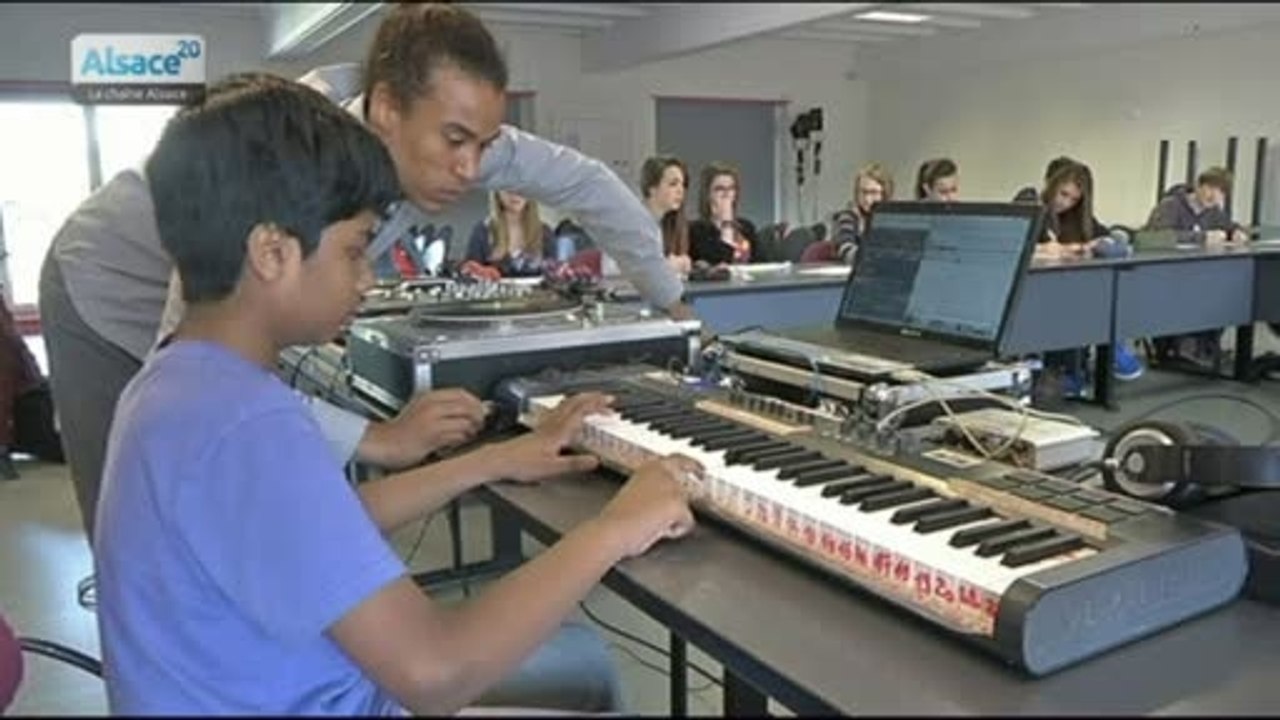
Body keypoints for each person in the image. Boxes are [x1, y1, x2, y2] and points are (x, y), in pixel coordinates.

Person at [94, 75, 699, 716]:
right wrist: (614, 528)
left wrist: (492, 460)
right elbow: (434, 671)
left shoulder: (176, 386)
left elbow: (321, 522)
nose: (366, 278)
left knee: (579, 662)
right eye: (355, 251)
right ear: (272, 251)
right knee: (584, 666)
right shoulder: (245, 420)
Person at [39, 2, 691, 550]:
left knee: (253, 516)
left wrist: (673, 304)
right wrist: (377, 438)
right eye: (455, 140)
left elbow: (590, 184)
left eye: (484, 145)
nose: (471, 169)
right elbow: (198, 371)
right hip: (103, 284)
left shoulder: (456, 139)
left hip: (200, 328)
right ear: (385, 110)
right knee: (144, 537)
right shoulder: (283, 161)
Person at [1143, 166, 1248, 366]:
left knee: (1226, 292)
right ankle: (1182, 345)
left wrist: (1237, 232)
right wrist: (1201, 237)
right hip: (1167, 274)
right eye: (1210, 188)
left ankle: (1203, 345)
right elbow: (1152, 238)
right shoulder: (1171, 206)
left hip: (1199, 275)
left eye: (1220, 192)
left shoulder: (1213, 212)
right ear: (1198, 186)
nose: (1213, 195)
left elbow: (1230, 226)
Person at [464, 190, 557, 277]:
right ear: (497, 192)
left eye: (521, 187)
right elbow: (470, 272)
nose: (515, 194)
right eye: (508, 186)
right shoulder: (483, 231)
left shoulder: (545, 232)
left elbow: (554, 276)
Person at [688, 162, 758, 266]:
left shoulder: (747, 227)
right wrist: (726, 222)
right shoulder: (695, 230)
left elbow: (762, 263)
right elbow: (723, 262)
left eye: (731, 188)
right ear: (707, 194)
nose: (726, 193)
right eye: (719, 189)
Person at [829, 162, 894, 262]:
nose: (867, 199)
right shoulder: (847, 217)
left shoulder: (892, 219)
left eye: (873, 192)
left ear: (884, 193)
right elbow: (845, 250)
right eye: (863, 192)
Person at [639, 155, 692, 276]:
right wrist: (665, 265)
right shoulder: (629, 221)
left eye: (682, 184)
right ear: (651, 188)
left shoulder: (668, 223)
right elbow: (610, 268)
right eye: (673, 184)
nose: (681, 190)